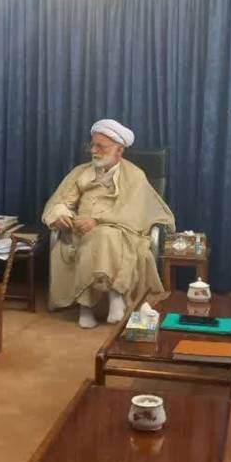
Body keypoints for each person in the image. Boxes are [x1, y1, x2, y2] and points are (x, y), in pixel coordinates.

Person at [42, 119, 175, 329]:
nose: (94, 151)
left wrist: (97, 221)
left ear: (119, 150)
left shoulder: (135, 176)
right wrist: (60, 215)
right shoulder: (80, 172)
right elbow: (61, 201)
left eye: (100, 146)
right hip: (80, 231)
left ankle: (88, 307)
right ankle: (115, 298)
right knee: (96, 236)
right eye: (92, 145)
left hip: (123, 233)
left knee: (104, 235)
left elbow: (134, 212)